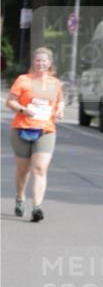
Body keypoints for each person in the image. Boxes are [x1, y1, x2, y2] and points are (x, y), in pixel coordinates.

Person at [6, 46, 64, 222]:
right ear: (34, 62)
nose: (41, 63)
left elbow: (60, 102)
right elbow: (10, 102)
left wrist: (60, 111)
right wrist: (24, 110)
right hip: (22, 128)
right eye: (38, 60)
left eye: (44, 60)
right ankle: (20, 197)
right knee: (23, 171)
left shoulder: (55, 83)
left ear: (50, 63)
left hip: (46, 130)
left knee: (39, 169)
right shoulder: (23, 80)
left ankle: (37, 207)